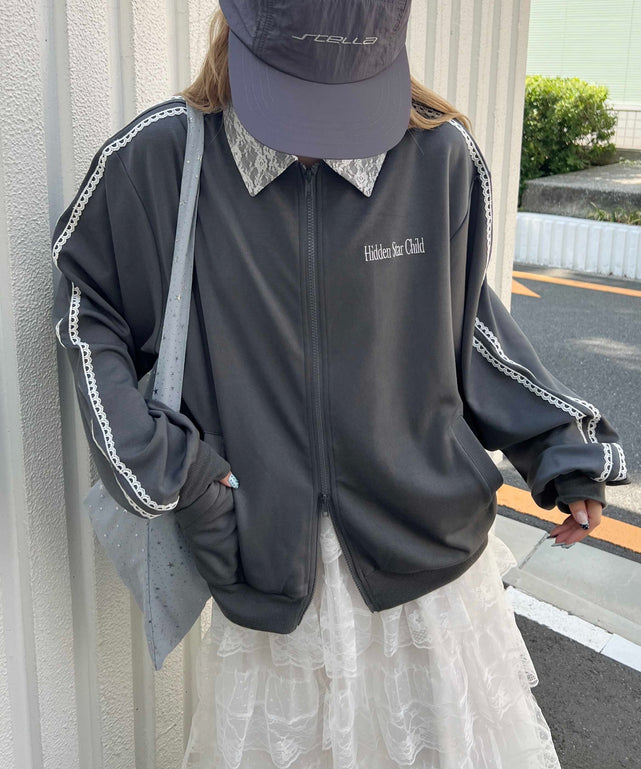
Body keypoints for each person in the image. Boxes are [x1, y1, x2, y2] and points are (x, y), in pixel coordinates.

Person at [50, 2, 630, 767]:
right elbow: (89, 311)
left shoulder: (438, 156)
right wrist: (177, 472)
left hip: (432, 575)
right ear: (236, 30)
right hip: (268, 566)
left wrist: (560, 446)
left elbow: (466, 325)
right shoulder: (164, 159)